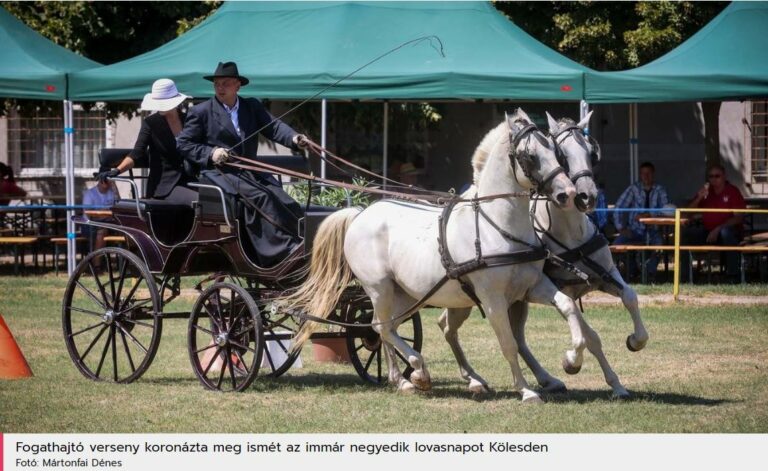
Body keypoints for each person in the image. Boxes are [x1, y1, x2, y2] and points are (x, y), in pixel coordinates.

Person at [177, 61, 310, 267]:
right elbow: (184, 144)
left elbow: (273, 127)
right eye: (217, 84)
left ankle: (300, 241)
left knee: (283, 197)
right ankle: (279, 251)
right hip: (219, 173)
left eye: (226, 83)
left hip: (249, 171)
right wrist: (212, 153)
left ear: (238, 85)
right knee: (261, 197)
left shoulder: (252, 106)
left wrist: (294, 138)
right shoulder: (201, 112)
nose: (220, 88)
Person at [99, 79, 197, 204]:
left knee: (216, 197)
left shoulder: (189, 120)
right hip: (164, 187)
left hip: (191, 179)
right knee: (199, 200)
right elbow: (137, 153)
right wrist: (116, 171)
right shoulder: (151, 123)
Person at [682, 163, 746, 282]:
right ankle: (685, 276)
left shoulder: (732, 191)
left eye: (717, 176)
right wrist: (699, 197)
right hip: (708, 231)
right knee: (686, 234)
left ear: (724, 176)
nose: (714, 179)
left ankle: (733, 276)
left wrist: (718, 229)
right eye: (711, 176)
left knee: (726, 233)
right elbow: (687, 213)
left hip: (729, 232)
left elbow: (739, 217)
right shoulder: (706, 192)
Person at [611, 161, 669, 280]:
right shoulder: (634, 189)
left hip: (654, 230)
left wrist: (649, 214)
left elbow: (667, 210)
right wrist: (621, 228)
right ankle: (633, 271)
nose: (646, 176)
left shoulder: (660, 189)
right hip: (634, 230)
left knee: (659, 246)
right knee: (616, 246)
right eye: (643, 173)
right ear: (640, 175)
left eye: (648, 173)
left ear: (653, 174)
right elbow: (618, 207)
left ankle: (649, 273)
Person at [82, 179, 118, 254]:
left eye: (110, 181)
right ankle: (97, 264)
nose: (108, 183)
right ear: (100, 181)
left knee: (126, 231)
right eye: (106, 180)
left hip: (108, 224)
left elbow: (119, 206)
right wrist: (105, 213)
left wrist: (115, 188)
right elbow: (89, 214)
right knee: (102, 232)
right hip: (90, 224)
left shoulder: (111, 192)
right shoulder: (90, 193)